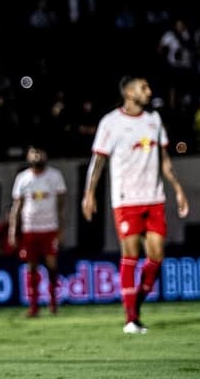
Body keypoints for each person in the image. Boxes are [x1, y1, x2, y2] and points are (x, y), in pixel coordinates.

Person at [81, 76, 190, 334]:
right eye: (144, 87)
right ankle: (131, 318)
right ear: (129, 93)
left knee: (156, 259)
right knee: (130, 256)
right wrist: (89, 193)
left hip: (154, 199)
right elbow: (98, 161)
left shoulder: (154, 120)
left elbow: (165, 161)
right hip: (126, 200)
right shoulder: (111, 122)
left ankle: (135, 304)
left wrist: (178, 190)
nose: (149, 92)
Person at [7, 145, 66, 317]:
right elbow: (17, 206)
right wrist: (13, 229)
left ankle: (53, 302)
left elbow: (61, 204)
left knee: (51, 265)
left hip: (50, 227)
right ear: (28, 155)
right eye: (34, 152)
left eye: (40, 152)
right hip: (30, 228)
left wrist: (61, 228)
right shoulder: (23, 178)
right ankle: (34, 306)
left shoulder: (55, 176)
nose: (37, 155)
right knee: (31, 267)